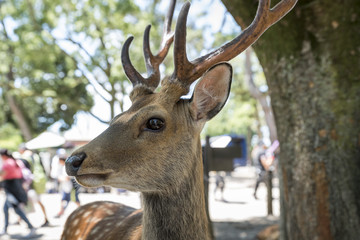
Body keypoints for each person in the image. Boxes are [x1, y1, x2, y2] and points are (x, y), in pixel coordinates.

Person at [0, 149, 36, 237]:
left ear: (3, 156)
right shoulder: (14, 161)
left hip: (11, 189)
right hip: (16, 187)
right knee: (5, 209)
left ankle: (31, 227)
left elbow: (1, 175)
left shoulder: (8, 163)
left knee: (16, 209)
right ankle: (5, 228)